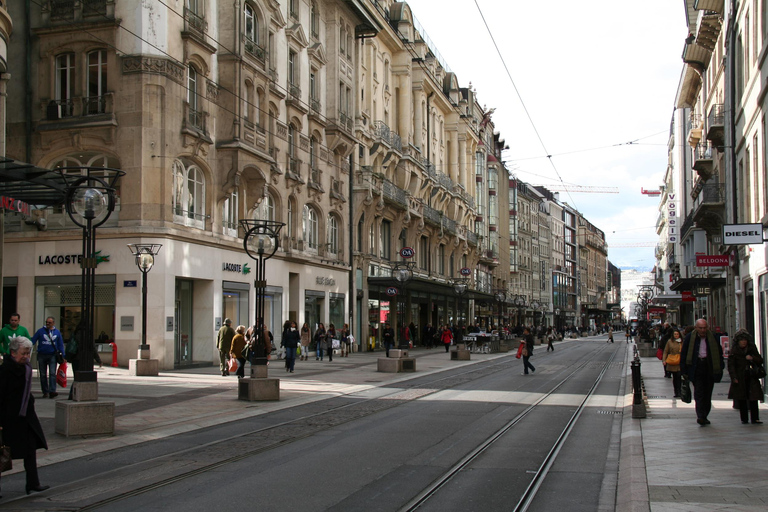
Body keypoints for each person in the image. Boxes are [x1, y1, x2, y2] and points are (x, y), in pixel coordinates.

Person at [0, 337, 50, 496]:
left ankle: (33, 483)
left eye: (28, 353)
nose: (26, 356)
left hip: (24, 417)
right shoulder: (5, 370)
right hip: (8, 418)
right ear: (13, 353)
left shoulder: (26, 368)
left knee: (30, 449)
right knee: (2, 453)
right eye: (23, 353)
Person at [681, 318, 724, 426]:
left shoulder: (712, 337)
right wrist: (684, 371)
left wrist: (720, 367)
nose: (703, 330)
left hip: (709, 367)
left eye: (705, 328)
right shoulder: (690, 337)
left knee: (707, 393)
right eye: (700, 328)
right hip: (696, 367)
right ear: (696, 328)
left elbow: (719, 353)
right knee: (699, 392)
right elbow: (684, 354)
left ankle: (704, 414)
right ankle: (700, 416)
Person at [727, 329, 764, 425]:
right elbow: (731, 365)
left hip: (751, 376)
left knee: (753, 398)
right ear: (738, 341)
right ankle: (744, 419)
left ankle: (755, 418)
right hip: (740, 376)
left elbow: (760, 360)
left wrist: (752, 358)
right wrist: (734, 377)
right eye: (741, 340)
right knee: (742, 398)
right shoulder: (734, 350)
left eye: (745, 340)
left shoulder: (751, 348)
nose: (743, 342)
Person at [30, 317, 65, 398]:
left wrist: (63, 355)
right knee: (43, 374)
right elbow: (33, 340)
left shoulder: (57, 332)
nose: (48, 324)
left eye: (50, 322)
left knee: (52, 373)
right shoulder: (40, 331)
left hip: (52, 355)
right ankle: (45, 391)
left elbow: (60, 344)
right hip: (42, 354)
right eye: (47, 322)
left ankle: (52, 391)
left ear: (53, 323)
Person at [662, 328, 683, 398]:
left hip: (680, 361)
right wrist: (664, 360)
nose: (676, 335)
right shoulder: (670, 342)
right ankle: (676, 392)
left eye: (677, 334)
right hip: (672, 361)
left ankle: (679, 391)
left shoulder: (682, 342)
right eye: (675, 334)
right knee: (675, 378)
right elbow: (665, 351)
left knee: (679, 377)